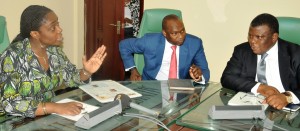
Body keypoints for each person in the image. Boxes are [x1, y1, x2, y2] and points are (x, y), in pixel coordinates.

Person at [0, 5, 107, 118]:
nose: (59, 29)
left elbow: (71, 77)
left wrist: (87, 71)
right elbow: (8, 103)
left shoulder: (54, 51)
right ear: (35, 34)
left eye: (58, 24)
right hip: (15, 120)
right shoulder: (12, 56)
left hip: (47, 116)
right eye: (53, 28)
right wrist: (55, 107)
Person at [221, 13, 300, 110]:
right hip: (250, 105)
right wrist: (260, 87)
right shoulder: (242, 50)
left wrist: (287, 97)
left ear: (274, 37)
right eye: (250, 36)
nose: (252, 41)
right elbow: (227, 78)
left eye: (259, 37)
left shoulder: (295, 53)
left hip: (285, 109)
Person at [119, 14, 210, 84]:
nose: (181, 36)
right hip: (152, 85)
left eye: (182, 31)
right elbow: (124, 45)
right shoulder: (150, 41)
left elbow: (205, 70)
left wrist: (199, 76)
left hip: (180, 89)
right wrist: (133, 70)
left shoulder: (194, 43)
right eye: (175, 33)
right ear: (164, 33)